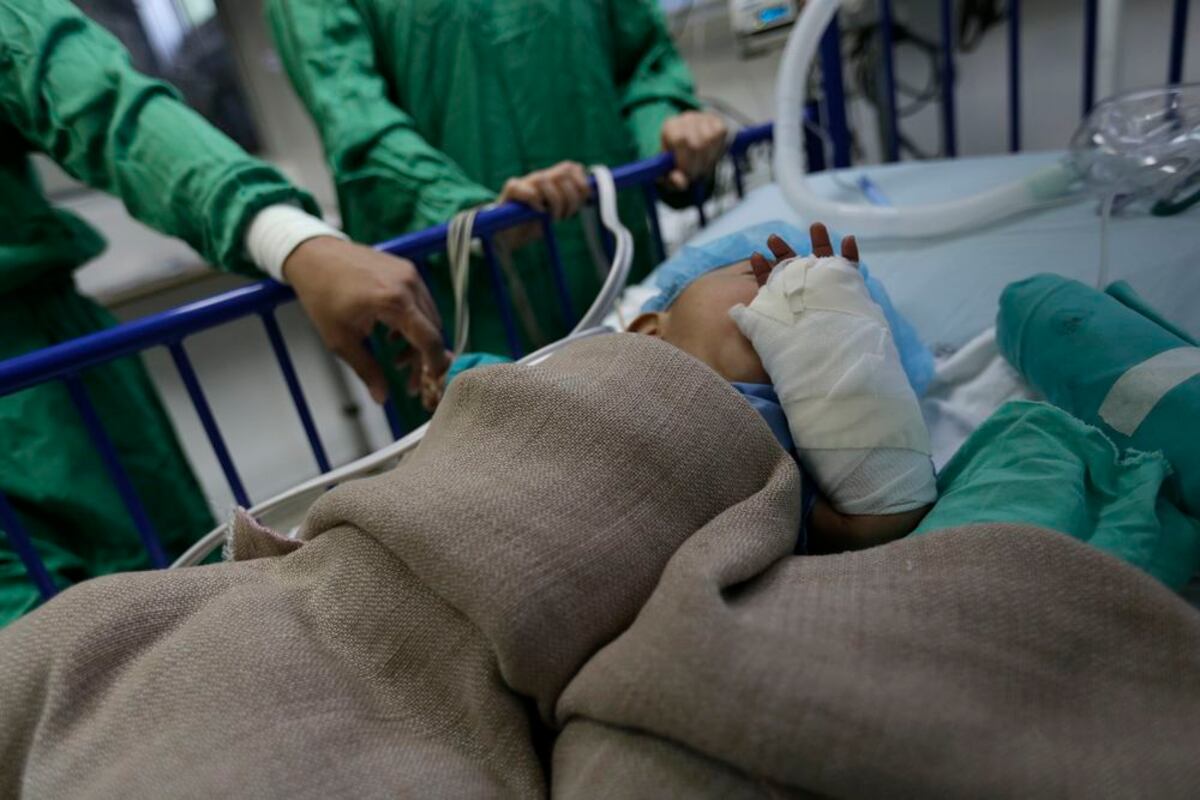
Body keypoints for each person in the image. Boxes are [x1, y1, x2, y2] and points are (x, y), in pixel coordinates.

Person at [0, 0, 449, 624]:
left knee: (180, 607)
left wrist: (291, 240)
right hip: (44, 376)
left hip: (51, 374)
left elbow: (101, 105)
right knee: (63, 654)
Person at [267, 0, 729, 426]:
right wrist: (468, 213)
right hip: (463, 297)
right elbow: (355, 119)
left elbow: (643, 60)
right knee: (503, 461)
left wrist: (667, 135)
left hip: (611, 259)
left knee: (670, 433)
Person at [446, 222, 938, 551]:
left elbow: (882, 518)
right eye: (760, 275)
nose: (791, 293)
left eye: (832, 328)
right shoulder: (602, 366)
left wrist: (843, 359)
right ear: (648, 331)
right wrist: (449, 369)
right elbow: (505, 387)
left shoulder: (779, 459)